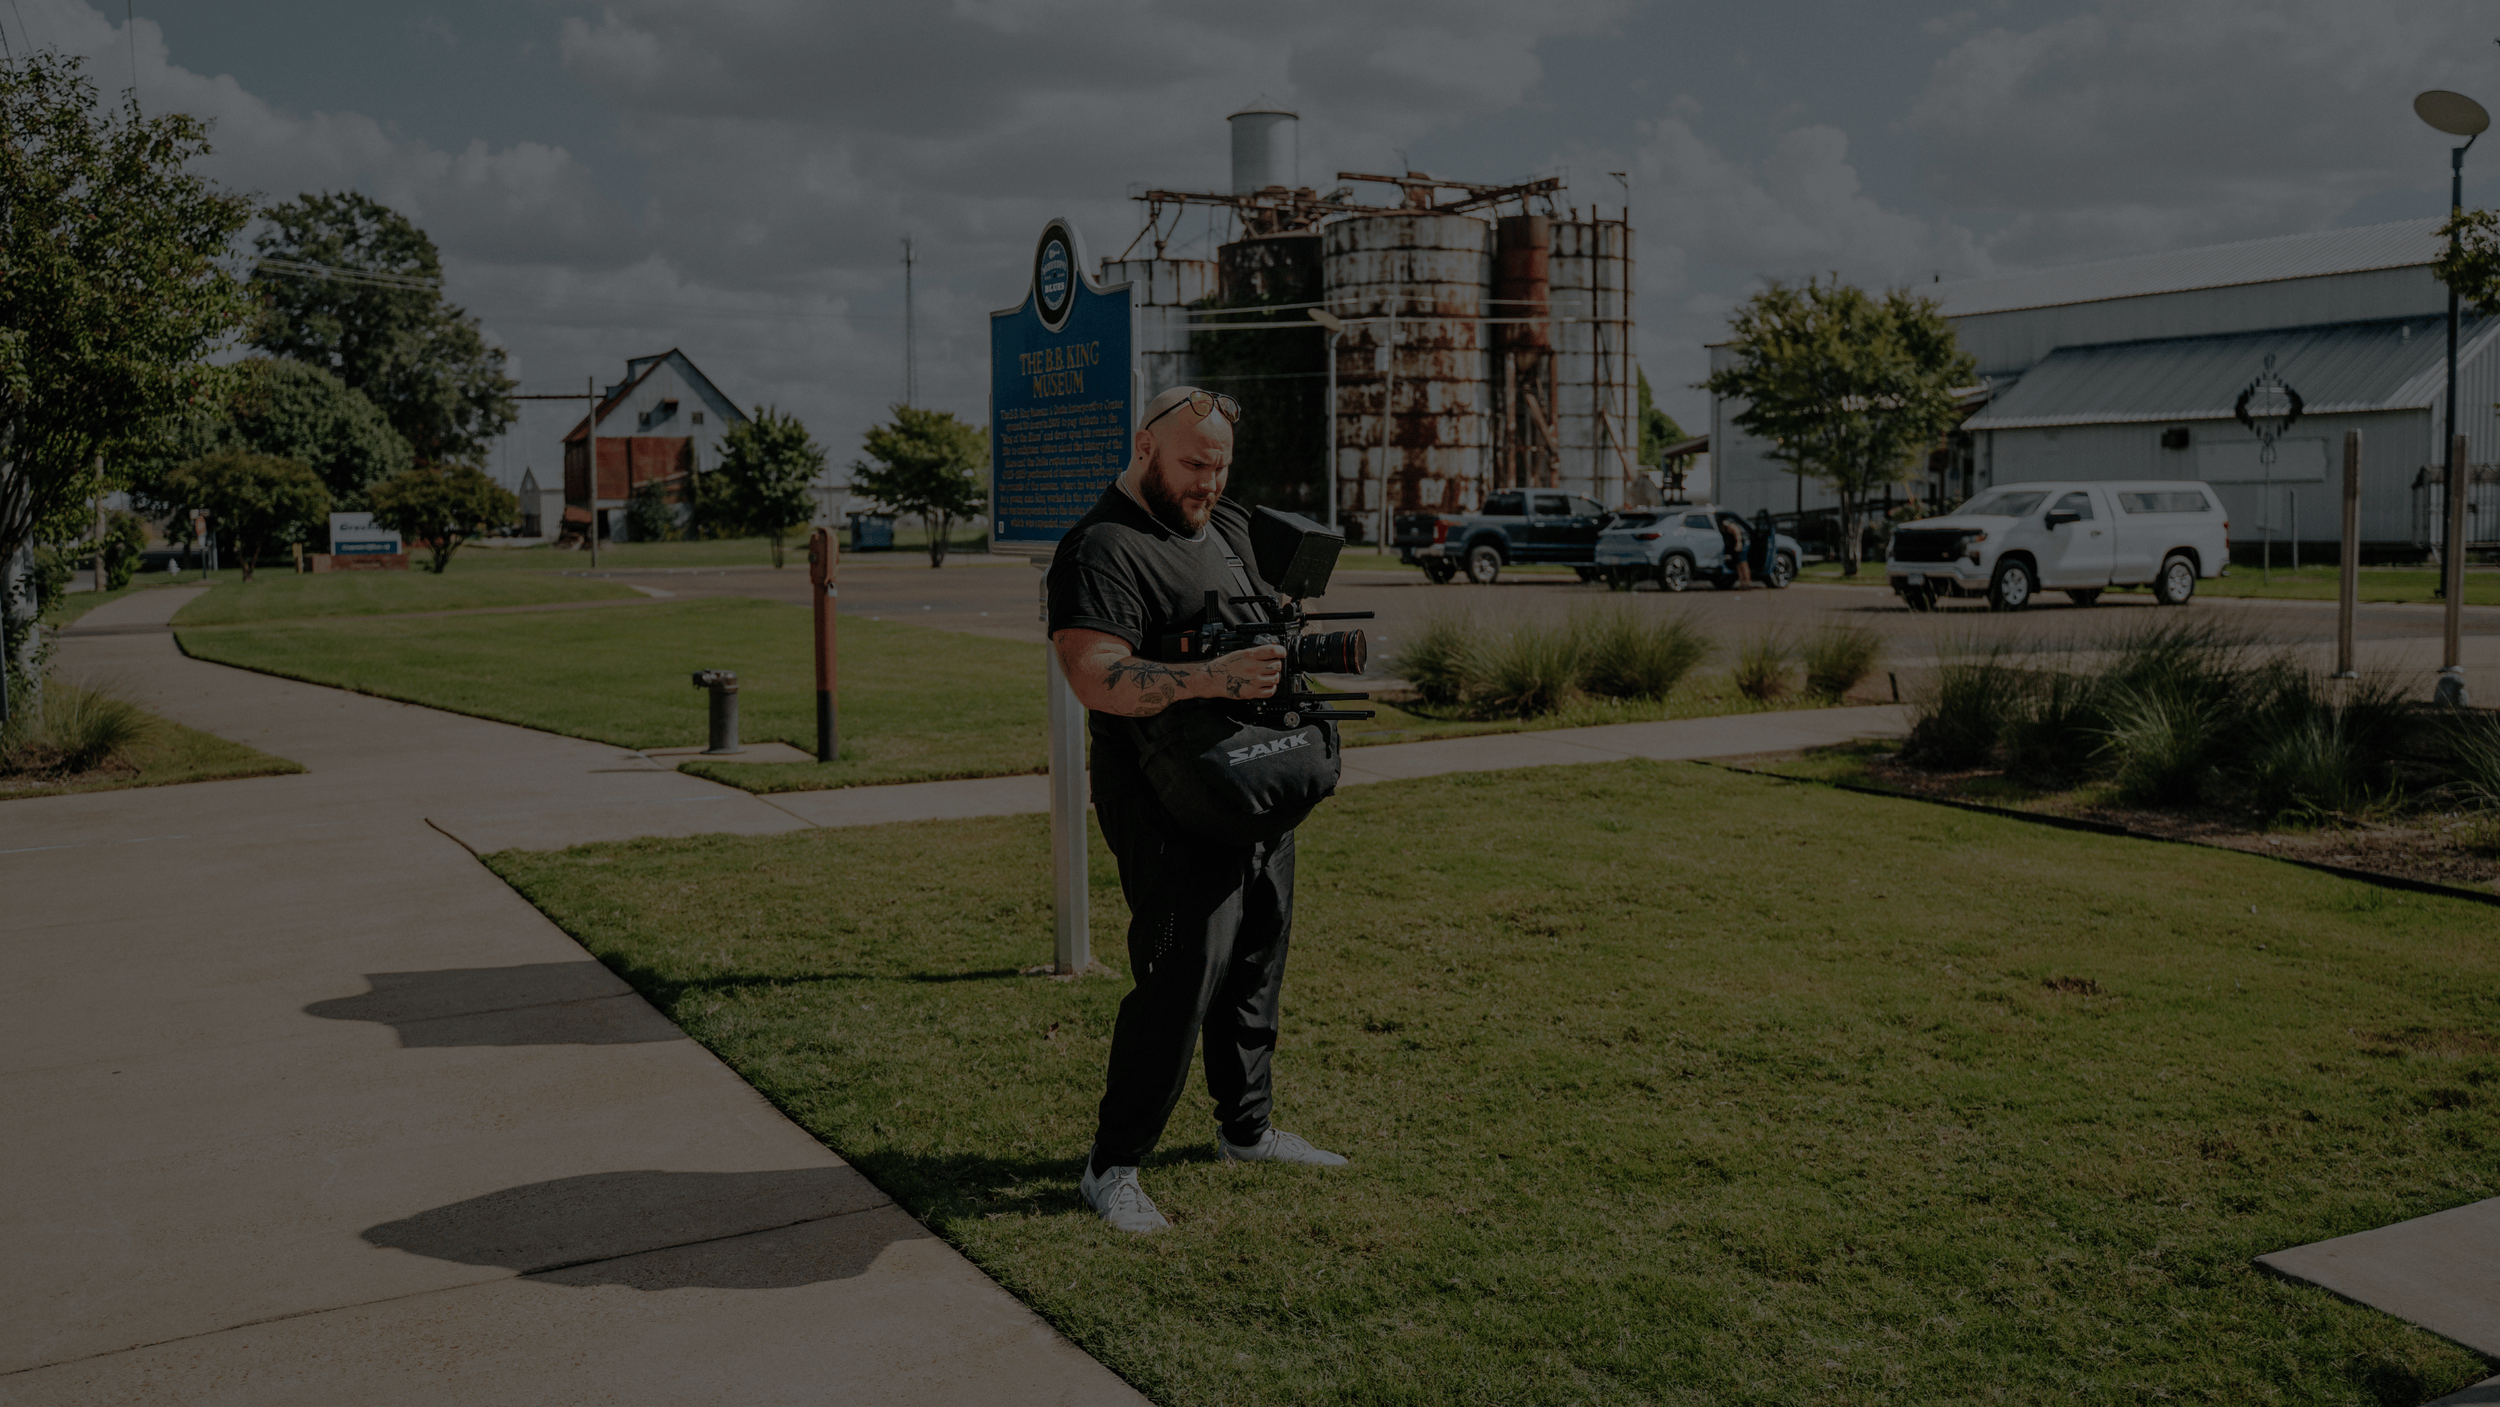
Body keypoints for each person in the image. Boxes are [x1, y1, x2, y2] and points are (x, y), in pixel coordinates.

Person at [1044, 385, 1348, 1236]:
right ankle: (1114, 1164)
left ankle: (1245, 1131)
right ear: (1145, 445)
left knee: (1256, 960)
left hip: (1251, 781)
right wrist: (1210, 678)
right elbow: (1094, 673)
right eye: (1193, 465)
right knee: (1182, 979)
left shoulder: (1231, 528)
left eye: (1220, 467)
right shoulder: (1102, 548)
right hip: (1166, 805)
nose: (1208, 484)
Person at [1718, 514, 1753, 589]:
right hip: (1736, 546)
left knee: (1743, 563)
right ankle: (1742, 583)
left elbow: (1737, 533)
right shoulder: (1725, 529)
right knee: (1738, 565)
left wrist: (1738, 543)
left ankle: (1747, 582)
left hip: (1741, 544)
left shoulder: (1730, 526)